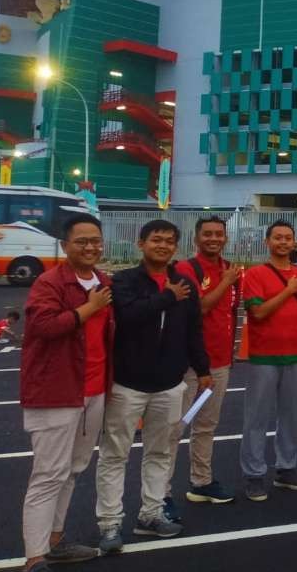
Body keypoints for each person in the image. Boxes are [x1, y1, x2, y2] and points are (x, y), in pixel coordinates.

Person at [98, 220, 210, 552]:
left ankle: (151, 514)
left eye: (169, 241)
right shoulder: (125, 281)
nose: (162, 245)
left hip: (169, 384)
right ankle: (109, 524)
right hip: (128, 384)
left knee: (160, 452)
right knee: (114, 454)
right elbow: (130, 316)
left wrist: (202, 369)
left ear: (177, 246)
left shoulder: (184, 283)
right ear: (141, 243)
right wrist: (166, 297)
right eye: (156, 240)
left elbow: (194, 331)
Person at [19, 214, 113, 572]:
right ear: (65, 245)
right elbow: (43, 326)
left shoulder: (103, 281)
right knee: (48, 474)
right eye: (82, 241)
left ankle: (55, 541)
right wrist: (90, 307)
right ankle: (35, 557)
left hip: (92, 392)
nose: (90, 247)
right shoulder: (50, 282)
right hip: (55, 392)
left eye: (95, 240)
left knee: (73, 469)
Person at [166, 217, 239, 512]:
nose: (213, 238)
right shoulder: (186, 269)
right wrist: (226, 282)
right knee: (174, 428)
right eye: (207, 234)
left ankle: (201, 481)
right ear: (196, 238)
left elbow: (230, 313)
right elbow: (201, 307)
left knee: (206, 425)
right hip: (190, 364)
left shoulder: (228, 268)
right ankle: (162, 494)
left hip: (219, 362)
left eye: (219, 234)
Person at [240, 220, 297, 502]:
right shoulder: (257, 274)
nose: (283, 242)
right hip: (264, 357)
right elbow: (258, 313)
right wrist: (287, 290)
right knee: (256, 417)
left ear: (294, 243)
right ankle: (254, 474)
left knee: (291, 416)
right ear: (267, 242)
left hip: (296, 356)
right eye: (278, 238)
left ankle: (286, 468)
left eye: (288, 238)